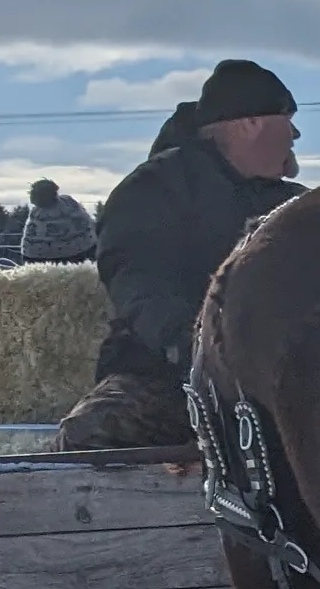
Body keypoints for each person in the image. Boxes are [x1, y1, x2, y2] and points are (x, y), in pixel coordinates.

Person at [58, 61, 301, 451]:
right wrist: (197, 348)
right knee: (93, 432)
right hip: (169, 376)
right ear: (249, 123)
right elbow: (139, 285)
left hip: (281, 380)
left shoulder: (295, 204)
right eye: (286, 120)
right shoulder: (154, 190)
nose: (295, 135)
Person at [18, 179, 97, 263]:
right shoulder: (68, 203)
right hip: (74, 254)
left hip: (33, 257)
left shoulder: (36, 213)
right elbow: (86, 223)